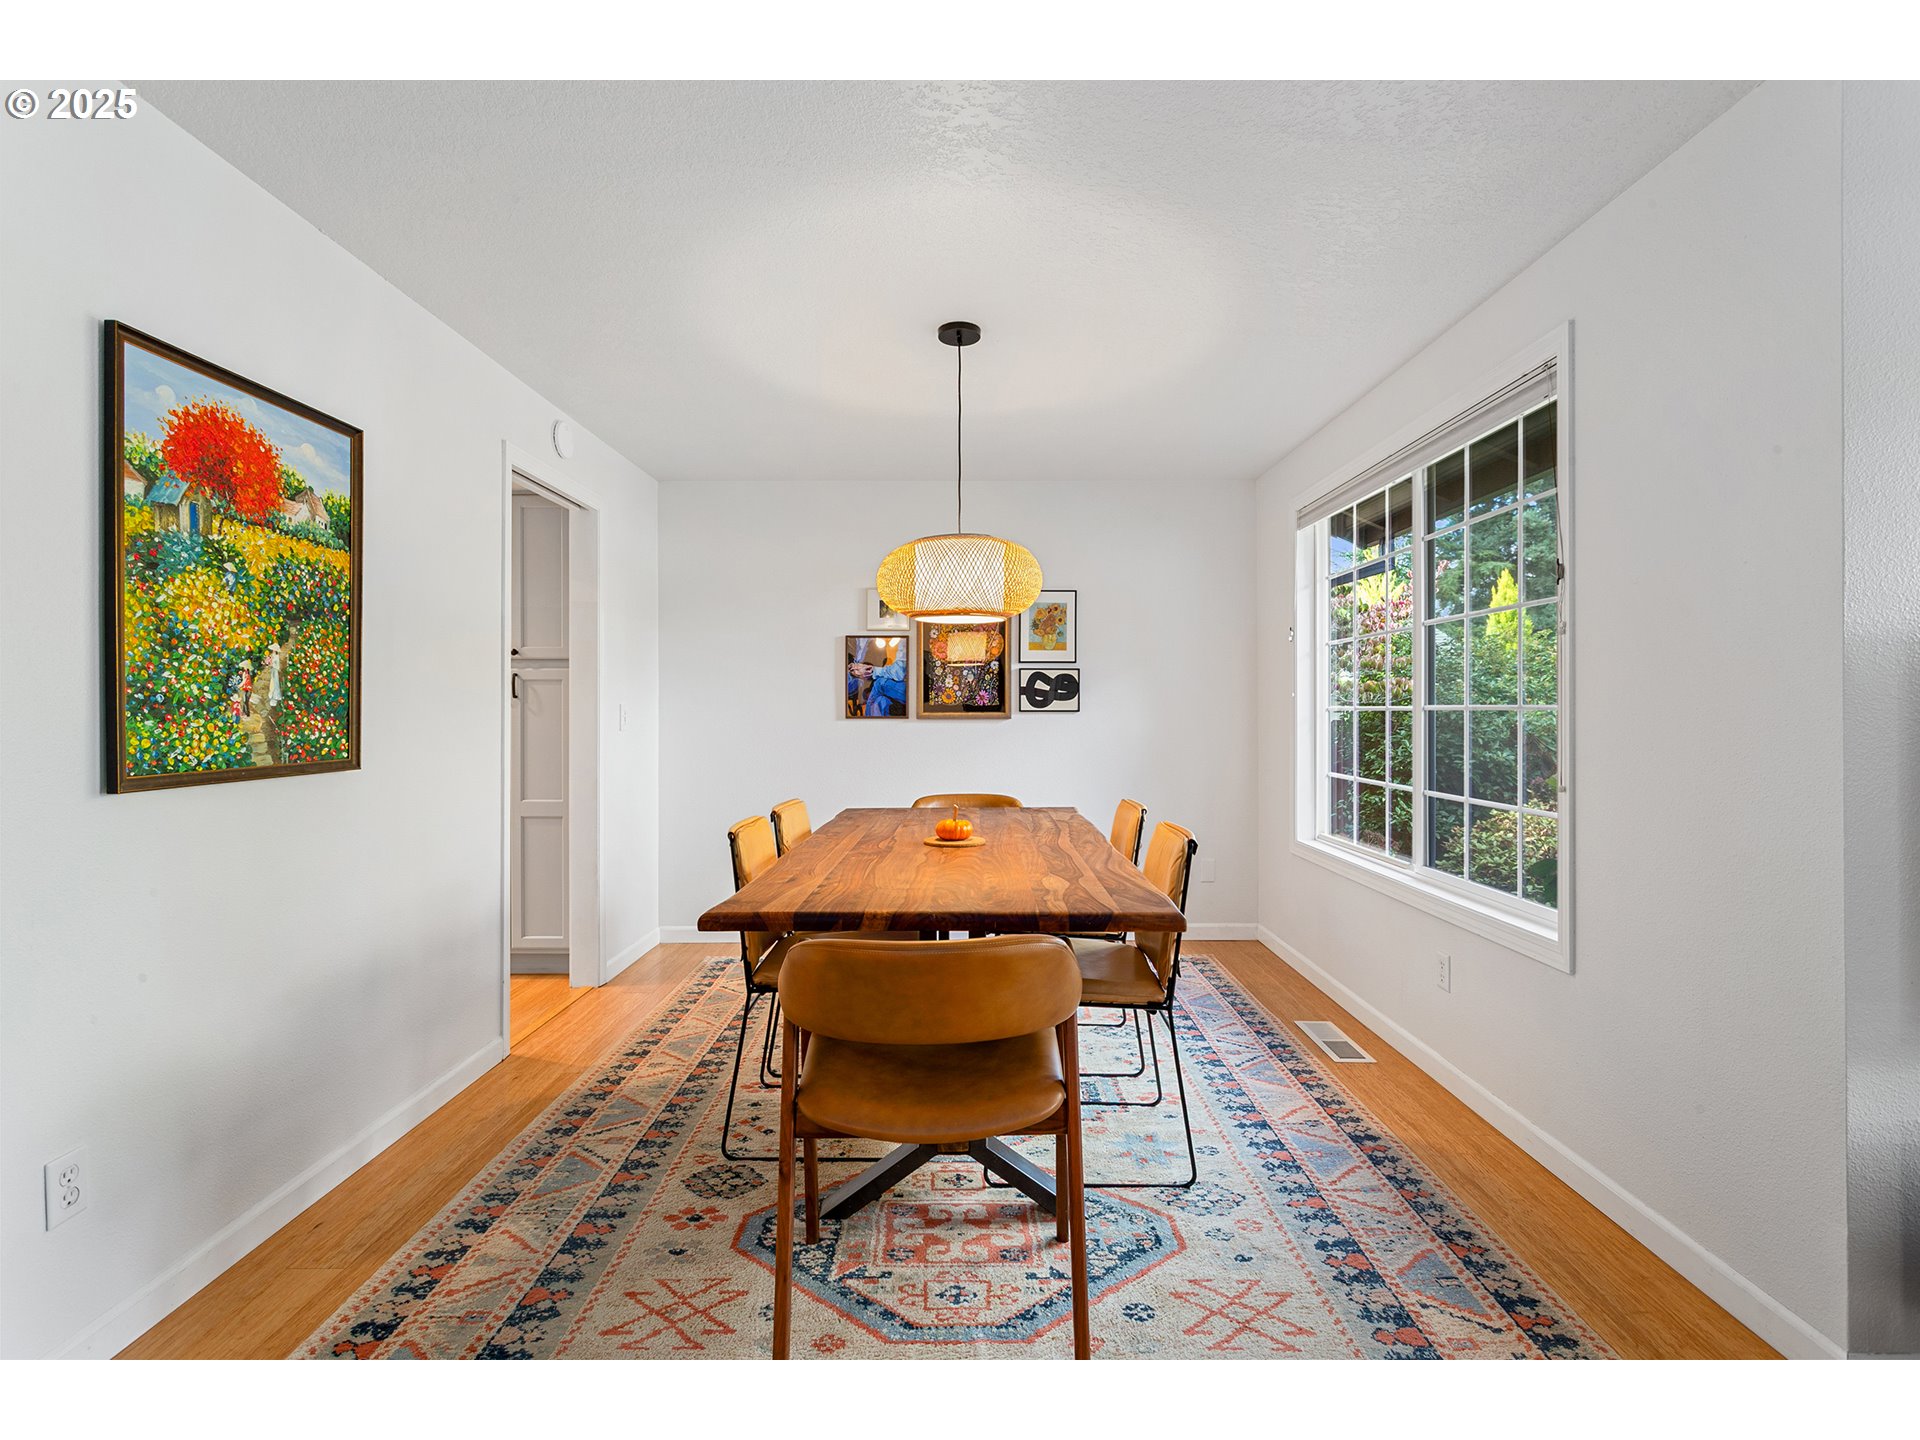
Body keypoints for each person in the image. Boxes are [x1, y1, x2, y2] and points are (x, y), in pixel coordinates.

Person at [864, 639, 907, 716]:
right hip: (903, 686)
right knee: (881, 700)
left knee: (879, 683)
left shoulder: (904, 640)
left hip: (909, 689)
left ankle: (868, 718)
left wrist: (874, 671)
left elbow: (899, 673)